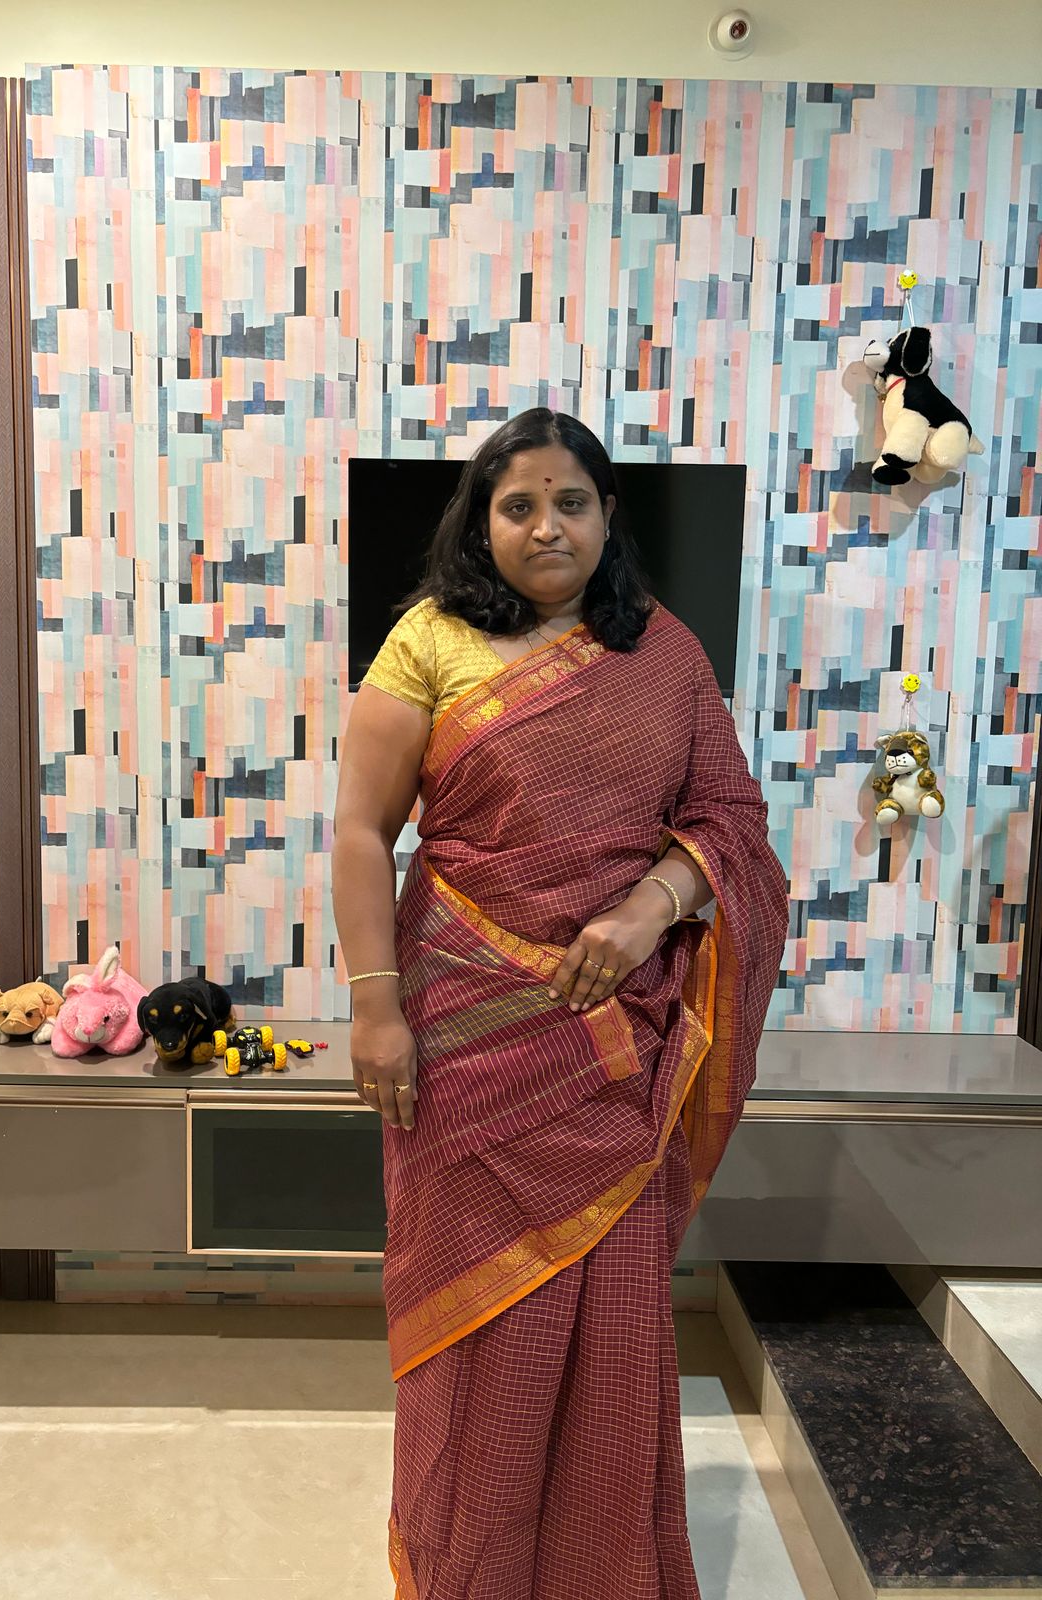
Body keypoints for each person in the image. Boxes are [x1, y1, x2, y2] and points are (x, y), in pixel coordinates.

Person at [332, 407, 788, 1600]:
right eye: (519, 504)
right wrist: (375, 1009)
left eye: (571, 502)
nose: (547, 526)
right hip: (464, 1034)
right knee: (476, 1324)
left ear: (607, 515)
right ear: (481, 521)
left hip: (615, 1042)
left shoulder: (666, 656)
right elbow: (361, 831)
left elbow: (732, 824)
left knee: (612, 1326)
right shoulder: (429, 640)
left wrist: (644, 911)